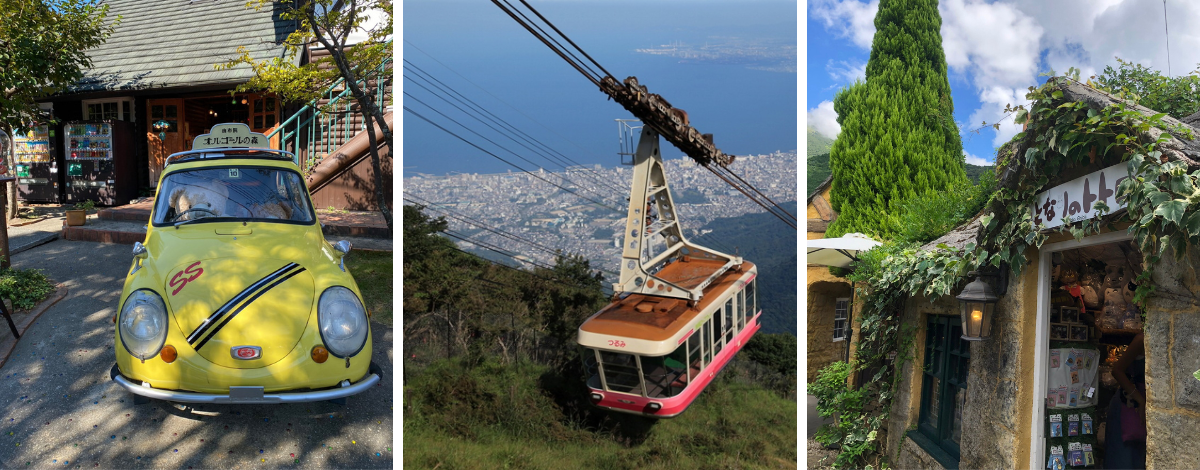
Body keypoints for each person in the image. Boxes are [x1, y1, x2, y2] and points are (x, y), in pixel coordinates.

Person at [1105, 332, 1146, 469]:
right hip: (1128, 406)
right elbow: (1117, 370)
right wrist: (1140, 400)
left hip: (1144, 407)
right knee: (1123, 460)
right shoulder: (1141, 339)